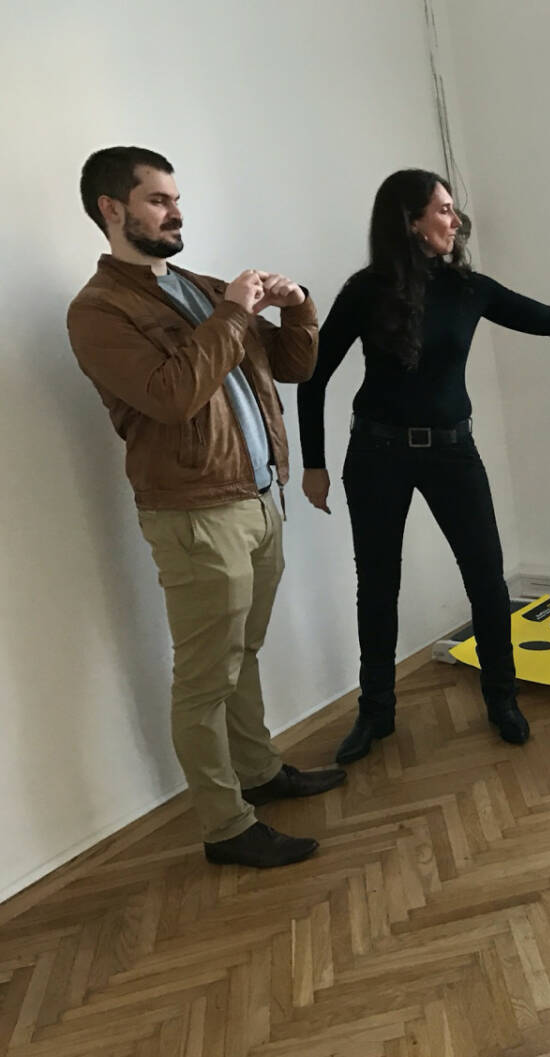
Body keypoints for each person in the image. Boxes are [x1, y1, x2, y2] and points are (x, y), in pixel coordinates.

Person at [297, 169, 550, 764]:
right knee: (378, 583)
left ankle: (501, 699)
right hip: (376, 453)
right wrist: (312, 463)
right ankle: (376, 713)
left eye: (452, 209)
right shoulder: (366, 290)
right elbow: (313, 375)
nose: (456, 220)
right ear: (410, 221)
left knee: (485, 578)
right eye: (443, 209)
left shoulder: (468, 289)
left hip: (451, 450)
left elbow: (544, 316)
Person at [67, 147, 346, 869]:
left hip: (256, 498)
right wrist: (230, 311)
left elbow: (293, 365)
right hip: (194, 514)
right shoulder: (99, 311)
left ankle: (259, 771)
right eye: (158, 200)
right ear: (112, 210)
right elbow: (170, 395)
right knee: (203, 677)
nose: (176, 211)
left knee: (242, 654)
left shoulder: (196, 286)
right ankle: (226, 825)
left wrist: (298, 305)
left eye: (176, 198)